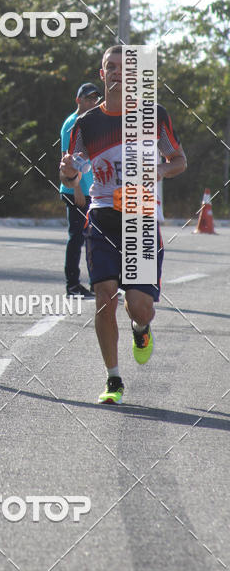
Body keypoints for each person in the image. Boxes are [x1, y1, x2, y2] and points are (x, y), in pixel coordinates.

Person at [59, 46, 187, 404]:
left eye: (124, 68)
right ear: (102, 74)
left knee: (138, 305)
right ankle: (113, 379)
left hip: (142, 216)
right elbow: (72, 172)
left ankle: (141, 328)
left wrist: (160, 169)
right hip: (101, 216)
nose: (117, 72)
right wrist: (69, 172)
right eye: (110, 67)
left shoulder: (153, 115)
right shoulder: (85, 124)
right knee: (104, 296)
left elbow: (179, 160)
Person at [60, 83, 101, 298]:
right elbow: (69, 161)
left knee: (91, 239)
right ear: (78, 100)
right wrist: (76, 188)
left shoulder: (89, 122)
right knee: (76, 239)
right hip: (75, 191)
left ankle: (97, 284)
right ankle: (73, 286)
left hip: (90, 191)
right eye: (88, 98)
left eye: (95, 98)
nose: (92, 102)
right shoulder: (73, 123)